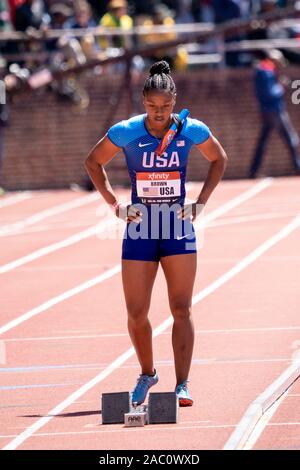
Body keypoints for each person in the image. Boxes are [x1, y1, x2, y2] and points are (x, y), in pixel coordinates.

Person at [85, 60, 227, 407]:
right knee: (136, 312)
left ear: (174, 101)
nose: (159, 113)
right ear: (143, 103)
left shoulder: (189, 129)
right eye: (152, 106)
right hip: (141, 229)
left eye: (165, 106)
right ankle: (148, 373)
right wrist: (115, 206)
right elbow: (93, 162)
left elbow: (218, 158)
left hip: (177, 226)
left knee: (181, 307)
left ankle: (182, 384)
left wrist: (200, 202)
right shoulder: (127, 131)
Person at [249, 49, 300, 178]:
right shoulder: (265, 72)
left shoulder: (265, 71)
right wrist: (281, 86)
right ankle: (297, 166)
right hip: (274, 111)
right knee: (290, 138)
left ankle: (254, 170)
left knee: (264, 141)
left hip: (269, 111)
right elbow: (270, 93)